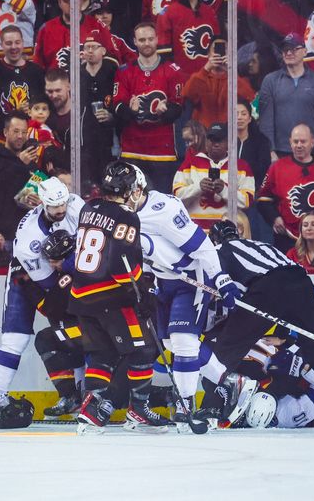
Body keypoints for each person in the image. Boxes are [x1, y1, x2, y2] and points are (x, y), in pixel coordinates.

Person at [194, 220, 314, 434]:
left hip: (267, 288)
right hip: (302, 283)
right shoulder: (263, 246)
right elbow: (283, 276)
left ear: (214, 239)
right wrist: (281, 335)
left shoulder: (219, 250)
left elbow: (224, 286)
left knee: (227, 348)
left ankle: (210, 409)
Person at [129, 162, 239, 427]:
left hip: (190, 280)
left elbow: (201, 245)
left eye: (126, 191)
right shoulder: (124, 214)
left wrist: (221, 278)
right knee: (170, 345)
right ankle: (228, 380)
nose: (121, 197)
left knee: (183, 340)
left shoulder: (163, 209)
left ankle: (185, 402)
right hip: (164, 283)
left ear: (139, 188)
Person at [67, 161, 170, 434]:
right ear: (128, 189)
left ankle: (91, 410)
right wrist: (142, 292)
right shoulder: (127, 216)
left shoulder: (88, 209)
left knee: (101, 353)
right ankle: (138, 411)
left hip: (81, 296)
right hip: (110, 298)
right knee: (144, 348)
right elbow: (120, 262)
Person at [0, 177, 84, 427]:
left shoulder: (76, 206)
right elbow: (48, 284)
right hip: (27, 277)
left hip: (67, 270)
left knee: (75, 332)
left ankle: (77, 395)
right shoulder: (30, 238)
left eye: (63, 203)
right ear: (42, 203)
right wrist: (66, 291)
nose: (61, 210)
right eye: (55, 207)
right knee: (16, 339)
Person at [112, 22, 184, 193]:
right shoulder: (124, 72)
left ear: (157, 39)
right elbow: (117, 106)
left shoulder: (172, 71)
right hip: (132, 150)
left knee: (162, 201)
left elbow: (179, 106)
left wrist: (165, 111)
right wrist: (131, 112)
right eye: (142, 39)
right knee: (132, 202)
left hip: (163, 151)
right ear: (135, 42)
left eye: (150, 39)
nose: (147, 43)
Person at [32, 228, 86, 418]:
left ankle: (71, 396)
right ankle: (79, 397)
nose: (52, 265)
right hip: (107, 330)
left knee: (47, 338)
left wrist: (29, 286)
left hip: (98, 334)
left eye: (54, 260)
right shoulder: (88, 263)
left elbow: (50, 309)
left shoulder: (68, 276)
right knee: (63, 333)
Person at [257, 124, 314, 252]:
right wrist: (274, 218)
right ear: (290, 142)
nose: (299, 145)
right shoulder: (278, 167)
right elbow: (262, 199)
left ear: (312, 142)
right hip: (286, 236)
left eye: (303, 141)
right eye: (295, 141)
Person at [258, 33, 314, 158]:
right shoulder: (270, 81)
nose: (288, 53)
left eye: (293, 49)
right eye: (285, 50)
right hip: (280, 153)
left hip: (311, 153)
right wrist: (270, 151)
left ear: (304, 51)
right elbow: (266, 121)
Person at [172, 122, 255, 230]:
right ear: (206, 142)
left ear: (229, 143)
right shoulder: (190, 163)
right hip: (195, 230)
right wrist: (198, 188)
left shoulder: (241, 166)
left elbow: (247, 201)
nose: (215, 144)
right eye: (212, 139)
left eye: (220, 140)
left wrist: (224, 190)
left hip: (228, 231)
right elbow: (176, 196)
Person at [33, 0, 116, 70]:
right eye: (67, 0)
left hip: (89, 82)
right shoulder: (46, 29)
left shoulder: (98, 26)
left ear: (81, 0)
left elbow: (113, 58)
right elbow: (37, 66)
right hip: (56, 82)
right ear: (59, 3)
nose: (72, 4)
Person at [0, 111, 35, 238]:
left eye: (24, 132)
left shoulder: (29, 161)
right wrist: (19, 164)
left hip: (25, 230)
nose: (20, 136)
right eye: (16, 131)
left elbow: (33, 191)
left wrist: (37, 199)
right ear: (5, 132)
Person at [156, 0, 220, 79]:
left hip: (209, 79)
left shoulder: (209, 12)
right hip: (180, 79)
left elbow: (217, 46)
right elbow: (164, 55)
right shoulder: (167, 13)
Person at [181, 38, 256, 130]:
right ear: (208, 54)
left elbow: (249, 98)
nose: (220, 53)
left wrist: (231, 72)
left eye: (225, 50)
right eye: (215, 49)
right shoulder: (200, 77)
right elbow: (187, 95)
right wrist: (206, 69)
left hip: (229, 133)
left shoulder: (238, 78)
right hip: (204, 133)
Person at [80, 28, 118, 180]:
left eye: (94, 47)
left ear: (103, 50)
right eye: (86, 47)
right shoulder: (77, 73)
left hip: (108, 136)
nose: (90, 51)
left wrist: (111, 116)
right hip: (85, 135)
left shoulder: (113, 71)